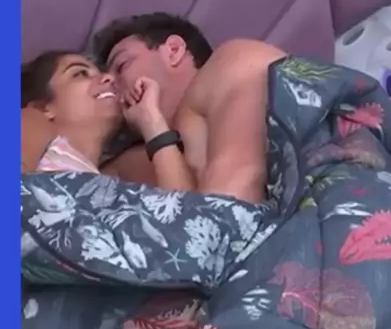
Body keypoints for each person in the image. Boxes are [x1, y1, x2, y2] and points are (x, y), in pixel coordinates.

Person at [95, 13, 286, 203]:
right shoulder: (146, 157)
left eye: (121, 65)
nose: (108, 80)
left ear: (174, 50)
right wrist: (153, 127)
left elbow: (235, 193)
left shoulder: (234, 61)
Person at [21, 51, 123, 173]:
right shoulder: (33, 119)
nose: (109, 77)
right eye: (81, 73)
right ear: (43, 108)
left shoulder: (109, 178)